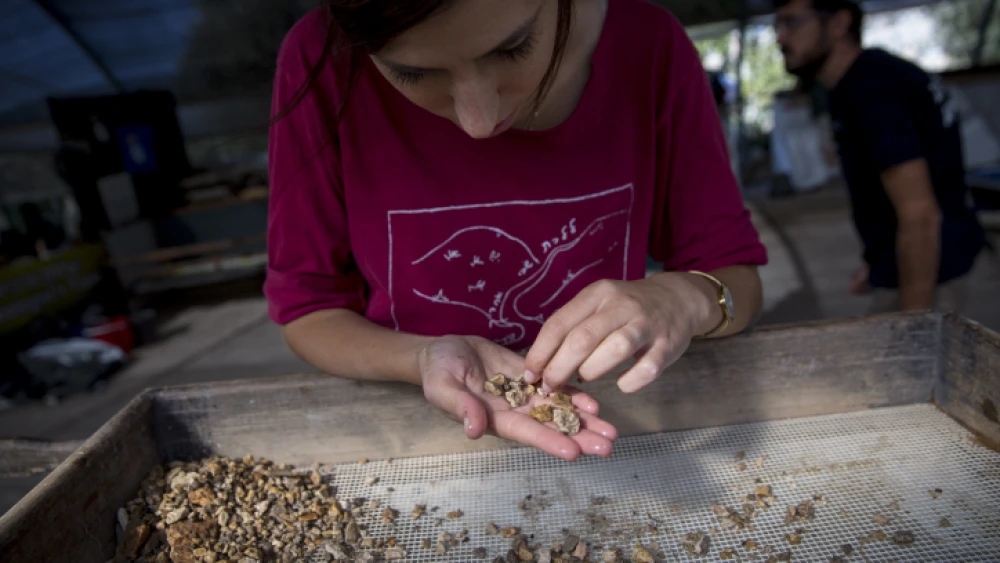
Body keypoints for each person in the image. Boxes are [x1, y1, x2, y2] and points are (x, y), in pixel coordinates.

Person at [266, 0, 769, 461]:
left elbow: (736, 279)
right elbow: (309, 312)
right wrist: (421, 358)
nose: (478, 121)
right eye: (412, 73)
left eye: (513, 47)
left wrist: (684, 297)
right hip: (414, 441)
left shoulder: (648, 42)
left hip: (617, 425)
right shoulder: (320, 59)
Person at [775, 0, 986, 314]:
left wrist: (915, 324)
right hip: (929, 264)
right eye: (777, 26)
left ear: (838, 23)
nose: (780, 38)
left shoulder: (872, 91)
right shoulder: (866, 80)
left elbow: (920, 216)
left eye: (792, 23)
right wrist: (881, 263)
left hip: (935, 279)